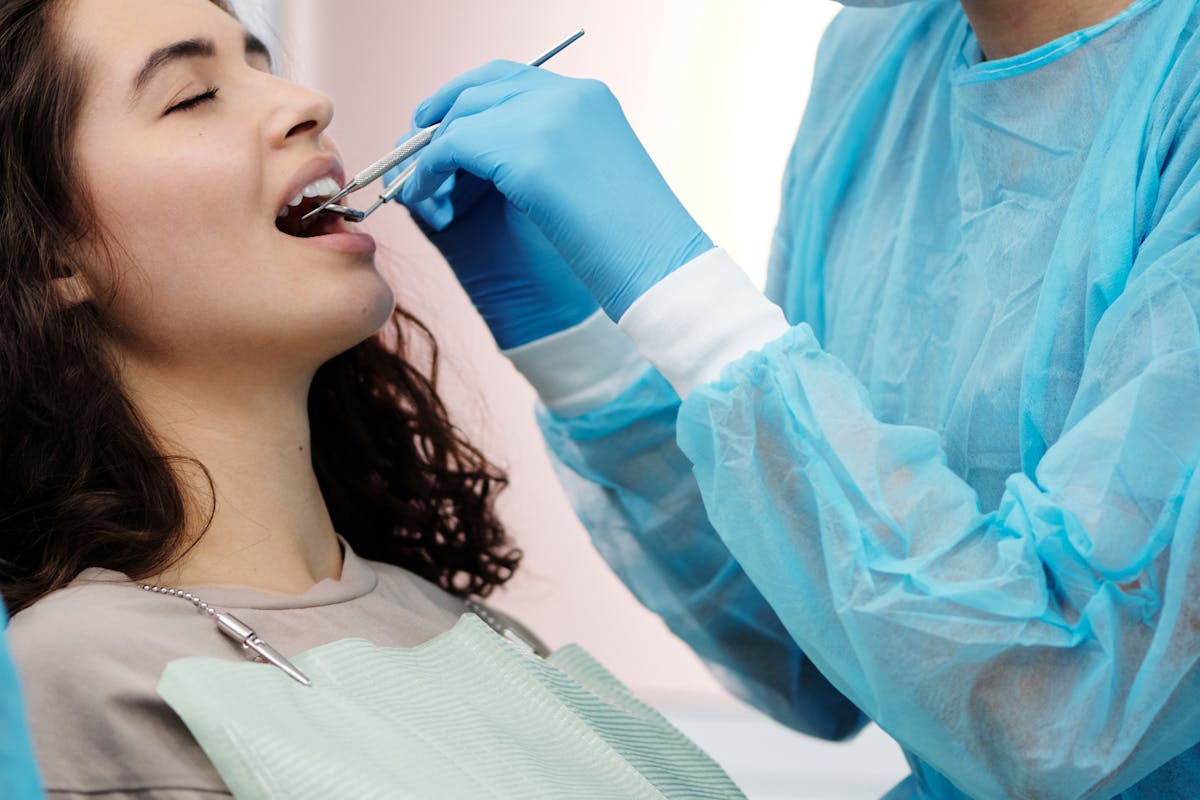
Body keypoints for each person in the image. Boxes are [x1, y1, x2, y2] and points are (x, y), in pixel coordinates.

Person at [394, 0, 1200, 797]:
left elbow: (1062, 715)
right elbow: (830, 643)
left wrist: (696, 313)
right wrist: (575, 352)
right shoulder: (882, 64)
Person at [0, 1, 748, 798]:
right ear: (48, 258)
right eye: (192, 95)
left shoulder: (484, 635)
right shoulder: (80, 672)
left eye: (261, 66)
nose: (307, 104)